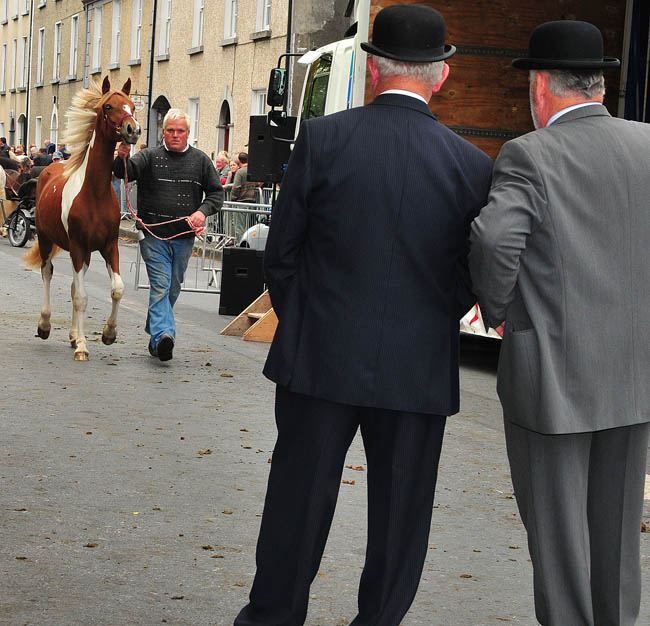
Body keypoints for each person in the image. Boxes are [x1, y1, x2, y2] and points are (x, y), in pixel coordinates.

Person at [233, 6, 492, 626]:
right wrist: (429, 319)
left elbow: (283, 252)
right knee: (401, 517)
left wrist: (310, 322)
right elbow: (471, 275)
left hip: (318, 357)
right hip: (417, 369)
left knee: (297, 503)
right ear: (442, 77)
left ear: (372, 68)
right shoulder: (472, 166)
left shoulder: (324, 139)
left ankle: (272, 619)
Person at [468, 20, 650, 626]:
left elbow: (494, 241)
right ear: (599, 84)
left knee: (560, 543)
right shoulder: (647, 144)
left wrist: (497, 310)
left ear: (540, 86)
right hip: (635, 377)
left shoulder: (530, 154)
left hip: (554, 378)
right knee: (618, 536)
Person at [113, 108, 223, 361]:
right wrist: (121, 157)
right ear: (163, 133)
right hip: (153, 236)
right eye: (171, 131)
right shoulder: (149, 156)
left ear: (188, 133)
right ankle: (165, 335)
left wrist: (202, 212)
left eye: (180, 131)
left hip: (184, 237)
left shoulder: (201, 160)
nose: (175, 135)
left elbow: (217, 194)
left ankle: (156, 336)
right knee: (161, 286)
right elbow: (123, 172)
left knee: (173, 287)